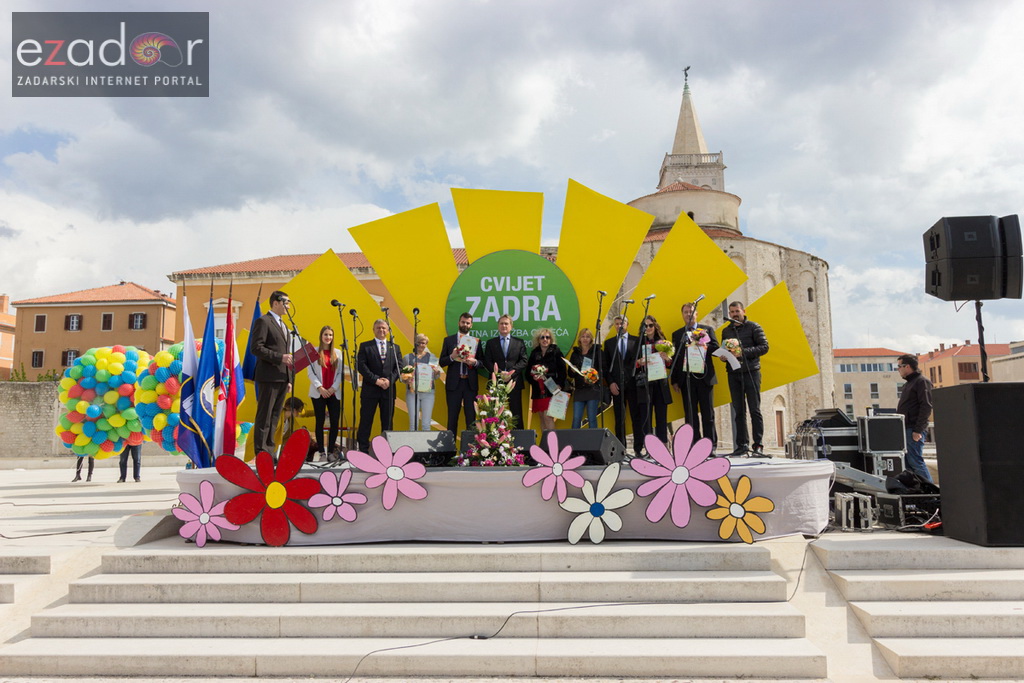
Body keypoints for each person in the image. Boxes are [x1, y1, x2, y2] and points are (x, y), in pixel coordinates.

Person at [719, 301, 769, 457]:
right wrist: (723, 356)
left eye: (737, 311)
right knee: (739, 411)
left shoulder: (754, 327)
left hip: (751, 372)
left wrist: (742, 352)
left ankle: (758, 445)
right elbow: (725, 349)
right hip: (733, 373)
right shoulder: (726, 331)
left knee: (755, 410)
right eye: (732, 312)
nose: (734, 314)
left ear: (743, 311)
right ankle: (741, 445)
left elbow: (764, 347)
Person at [249, 290, 294, 458]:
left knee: (275, 416)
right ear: (276, 303)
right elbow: (256, 348)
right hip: (268, 376)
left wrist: (289, 379)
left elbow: (287, 354)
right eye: (286, 302)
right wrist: (279, 357)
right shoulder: (263, 321)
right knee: (265, 415)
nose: (288, 306)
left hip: (282, 377)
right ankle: (261, 452)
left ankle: (270, 450)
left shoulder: (285, 326)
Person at [671, 302, 720, 450]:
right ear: (682, 315)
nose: (688, 314)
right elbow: (675, 359)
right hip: (687, 379)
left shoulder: (707, 330)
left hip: (705, 378)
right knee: (690, 416)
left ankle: (710, 446)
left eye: (691, 311)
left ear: (696, 314)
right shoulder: (677, 334)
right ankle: (695, 446)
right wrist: (674, 380)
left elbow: (716, 349)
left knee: (708, 414)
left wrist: (705, 346)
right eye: (685, 312)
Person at [356, 319, 402, 452]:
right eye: (378, 328)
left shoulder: (395, 347)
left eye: (383, 328)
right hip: (370, 390)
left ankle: (386, 451)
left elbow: (399, 367)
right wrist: (376, 380)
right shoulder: (365, 346)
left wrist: (389, 381)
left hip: (388, 391)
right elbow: (361, 366)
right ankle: (363, 450)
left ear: (388, 330)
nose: (381, 330)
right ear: (373, 330)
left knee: (387, 422)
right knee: (366, 421)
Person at [603, 315, 643, 456]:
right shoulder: (609, 343)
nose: (619, 326)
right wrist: (611, 383)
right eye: (617, 324)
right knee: (619, 419)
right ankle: (621, 450)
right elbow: (606, 367)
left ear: (627, 324)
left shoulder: (636, 341)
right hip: (617, 386)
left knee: (636, 417)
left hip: (633, 385)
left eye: (622, 323)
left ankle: (638, 449)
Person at [482, 314, 528, 428]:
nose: (504, 326)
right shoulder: (491, 343)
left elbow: (524, 360)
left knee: (516, 412)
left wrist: (511, 373)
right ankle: (495, 437)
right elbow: (487, 361)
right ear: (498, 326)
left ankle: (519, 437)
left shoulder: (519, 342)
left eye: (506, 323)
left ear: (511, 326)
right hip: (496, 383)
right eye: (501, 323)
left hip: (514, 382)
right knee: (495, 412)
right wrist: (500, 373)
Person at [439, 313, 479, 440]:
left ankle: (471, 449)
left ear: (471, 325)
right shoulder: (449, 340)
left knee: (471, 419)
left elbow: (482, 362)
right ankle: (450, 448)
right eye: (463, 322)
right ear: (458, 323)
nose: (465, 325)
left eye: (468, 323)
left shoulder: (475, 342)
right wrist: (452, 356)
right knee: (452, 418)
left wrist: (475, 362)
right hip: (454, 385)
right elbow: (441, 362)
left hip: (470, 385)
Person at [636, 315, 673, 446]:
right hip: (645, 384)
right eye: (645, 326)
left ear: (655, 326)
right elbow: (632, 364)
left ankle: (663, 446)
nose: (648, 328)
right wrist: (639, 362)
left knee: (661, 417)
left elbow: (670, 364)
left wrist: (667, 358)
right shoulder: (639, 343)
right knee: (646, 418)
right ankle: (649, 447)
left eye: (650, 325)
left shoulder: (663, 342)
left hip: (660, 384)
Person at [306, 325, 342, 460]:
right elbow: (310, 373)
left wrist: (333, 388)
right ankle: (321, 452)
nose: (328, 337)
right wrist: (320, 388)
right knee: (320, 421)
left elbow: (340, 373)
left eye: (330, 335)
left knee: (334, 422)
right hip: (318, 393)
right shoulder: (314, 352)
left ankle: (331, 452)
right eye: (326, 334)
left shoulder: (338, 353)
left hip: (334, 393)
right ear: (321, 336)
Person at [896, 354, 934, 483]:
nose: (898, 369)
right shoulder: (909, 384)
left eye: (899, 366)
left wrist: (918, 430)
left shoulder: (921, 382)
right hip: (906, 428)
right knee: (908, 464)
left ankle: (930, 491)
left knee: (915, 461)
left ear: (907, 366)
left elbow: (926, 406)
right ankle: (917, 490)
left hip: (913, 429)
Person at [526, 328, 567, 433]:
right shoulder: (534, 353)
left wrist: (560, 384)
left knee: (548, 417)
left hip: (552, 388)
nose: (545, 339)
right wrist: (533, 378)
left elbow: (562, 370)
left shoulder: (556, 351)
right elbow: (527, 373)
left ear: (551, 339)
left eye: (547, 337)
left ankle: (553, 442)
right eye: (542, 337)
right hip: (538, 390)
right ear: (538, 340)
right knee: (542, 418)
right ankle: (545, 443)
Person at [402, 334, 440, 431]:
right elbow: (402, 377)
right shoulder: (407, 358)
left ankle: (425, 441)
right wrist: (406, 379)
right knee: (413, 424)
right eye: (419, 343)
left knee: (426, 424)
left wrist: (436, 372)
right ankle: (412, 441)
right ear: (415, 343)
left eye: (424, 343)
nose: (422, 345)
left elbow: (436, 377)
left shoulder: (432, 357)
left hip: (428, 392)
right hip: (412, 392)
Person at [569, 328, 602, 429]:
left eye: (587, 337)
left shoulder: (597, 352)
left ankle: (593, 439)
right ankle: (574, 438)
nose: (585, 339)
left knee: (592, 418)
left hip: (593, 389)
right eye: (583, 336)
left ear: (591, 338)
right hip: (579, 389)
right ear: (579, 338)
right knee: (576, 418)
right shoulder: (575, 353)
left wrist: (593, 376)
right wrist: (572, 370)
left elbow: (602, 369)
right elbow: (570, 374)